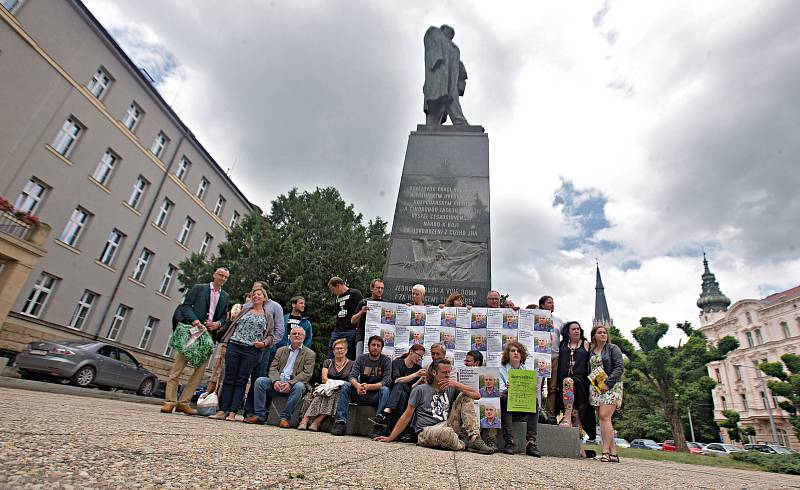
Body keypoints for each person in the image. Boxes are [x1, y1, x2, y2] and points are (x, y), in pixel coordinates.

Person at [375, 359, 493, 455]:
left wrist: (456, 384)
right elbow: (407, 415)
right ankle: (464, 443)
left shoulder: (450, 386)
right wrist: (390, 437)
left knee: (465, 395)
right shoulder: (420, 390)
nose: (447, 375)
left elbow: (476, 395)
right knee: (447, 433)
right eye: (444, 372)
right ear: (434, 373)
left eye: (448, 372)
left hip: (447, 424)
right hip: (426, 431)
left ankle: (474, 438)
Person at [162, 267, 230, 415]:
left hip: (208, 336)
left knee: (199, 371)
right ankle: (170, 401)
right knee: (178, 368)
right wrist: (195, 321)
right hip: (193, 332)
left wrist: (218, 324)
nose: (222, 278)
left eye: (225, 277)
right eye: (221, 275)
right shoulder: (199, 288)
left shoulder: (225, 296)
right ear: (214, 275)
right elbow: (186, 306)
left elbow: (224, 316)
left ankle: (184, 402)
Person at [209, 287, 275, 421]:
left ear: (264, 298)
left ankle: (233, 412)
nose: (256, 296)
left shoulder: (267, 315)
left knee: (241, 380)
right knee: (228, 378)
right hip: (235, 345)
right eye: (254, 294)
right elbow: (232, 326)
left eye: (259, 295)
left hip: (251, 350)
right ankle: (222, 410)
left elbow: (270, 335)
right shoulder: (244, 310)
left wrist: (263, 344)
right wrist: (225, 344)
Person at [245, 327, 316, 427]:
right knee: (260, 381)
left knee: (300, 386)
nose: (296, 335)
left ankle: (285, 418)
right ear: (289, 337)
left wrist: (290, 383)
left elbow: (307, 373)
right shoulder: (281, 350)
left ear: (304, 337)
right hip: (278, 384)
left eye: (299, 334)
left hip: (293, 386)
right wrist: (275, 381)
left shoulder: (310, 354)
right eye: (294, 333)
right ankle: (259, 415)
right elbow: (273, 368)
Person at [331, 335, 392, 437]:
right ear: (368, 346)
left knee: (385, 390)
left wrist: (369, 387)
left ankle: (377, 425)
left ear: (381, 348)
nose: (375, 347)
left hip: (375, 395)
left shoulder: (386, 360)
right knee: (346, 385)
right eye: (373, 345)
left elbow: (386, 380)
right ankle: (340, 423)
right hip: (360, 393)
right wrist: (358, 386)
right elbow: (352, 376)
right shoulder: (361, 358)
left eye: (378, 345)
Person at [242, 281, 285, 419]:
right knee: (240, 377)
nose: (254, 293)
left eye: (257, 290)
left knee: (257, 379)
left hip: (263, 349)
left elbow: (279, 330)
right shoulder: (248, 305)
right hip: (243, 347)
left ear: (265, 292)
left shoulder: (275, 307)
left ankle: (250, 410)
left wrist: (267, 344)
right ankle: (231, 408)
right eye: (253, 290)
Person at [370, 344, 426, 439]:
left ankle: (385, 414)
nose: (419, 358)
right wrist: (415, 375)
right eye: (418, 355)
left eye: (421, 357)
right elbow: (396, 380)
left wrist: (420, 378)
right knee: (401, 393)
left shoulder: (417, 368)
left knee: (402, 390)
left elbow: (412, 387)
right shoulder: (397, 362)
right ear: (411, 351)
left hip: (409, 392)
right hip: (398, 393)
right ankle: (394, 430)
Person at [297, 338, 353, 431]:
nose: (339, 350)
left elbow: (350, 380)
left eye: (342, 348)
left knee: (335, 396)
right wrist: (335, 383)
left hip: (341, 391)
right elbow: (324, 379)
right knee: (320, 395)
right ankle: (305, 420)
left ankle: (315, 421)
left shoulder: (352, 364)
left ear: (346, 350)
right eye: (337, 348)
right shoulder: (328, 362)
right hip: (326, 387)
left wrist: (335, 384)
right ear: (333, 350)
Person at [555, 322, 596, 444]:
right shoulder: (562, 344)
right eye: (574, 329)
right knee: (575, 416)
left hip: (581, 383)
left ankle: (567, 421)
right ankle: (579, 448)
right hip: (565, 385)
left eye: (578, 329)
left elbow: (596, 361)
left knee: (579, 415)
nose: (577, 331)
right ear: (568, 331)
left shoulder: (586, 344)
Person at [498, 340, 541, 457]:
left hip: (522, 407)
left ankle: (531, 442)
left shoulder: (527, 371)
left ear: (522, 355)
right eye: (513, 351)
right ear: (508, 354)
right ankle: (509, 442)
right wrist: (507, 389)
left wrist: (532, 388)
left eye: (518, 351)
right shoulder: (500, 370)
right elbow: (499, 393)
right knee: (506, 398)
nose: (516, 353)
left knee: (535, 401)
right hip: (506, 407)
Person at [590, 325, 624, 463]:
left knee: (605, 415)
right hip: (596, 387)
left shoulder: (613, 348)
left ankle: (604, 451)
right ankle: (613, 453)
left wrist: (607, 384)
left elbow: (619, 367)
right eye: (600, 332)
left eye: (605, 332)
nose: (603, 334)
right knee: (604, 420)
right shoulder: (591, 351)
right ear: (594, 336)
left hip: (611, 386)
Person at [423, 25, 469, 126]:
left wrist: (461, 77)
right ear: (443, 30)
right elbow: (434, 52)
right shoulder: (435, 33)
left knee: (447, 98)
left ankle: (432, 125)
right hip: (439, 74)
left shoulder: (453, 47)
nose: (451, 36)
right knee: (441, 99)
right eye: (450, 32)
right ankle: (458, 120)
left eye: (452, 35)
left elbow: (458, 66)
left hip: (450, 78)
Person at [328, 276, 363, 360]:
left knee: (348, 353)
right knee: (332, 350)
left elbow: (361, 309)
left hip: (351, 329)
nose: (333, 292)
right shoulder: (337, 298)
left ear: (338, 285)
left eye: (333, 290)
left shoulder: (355, 293)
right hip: (338, 329)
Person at [539, 295, 562, 421]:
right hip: (540, 356)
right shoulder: (535, 317)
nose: (552, 304)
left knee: (552, 387)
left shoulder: (559, 321)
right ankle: (537, 411)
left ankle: (550, 414)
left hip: (554, 356)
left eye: (553, 302)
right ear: (542, 305)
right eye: (549, 302)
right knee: (538, 385)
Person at [351, 278, 384, 356]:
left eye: (382, 288)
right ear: (372, 289)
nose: (380, 290)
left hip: (379, 340)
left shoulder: (387, 303)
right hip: (362, 338)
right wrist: (361, 312)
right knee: (359, 362)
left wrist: (409, 307)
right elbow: (353, 321)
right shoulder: (363, 302)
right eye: (378, 288)